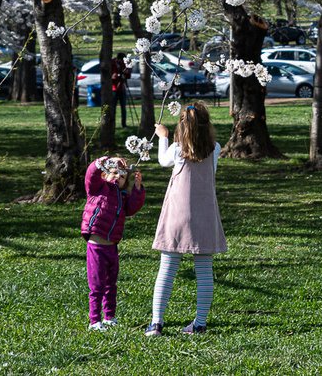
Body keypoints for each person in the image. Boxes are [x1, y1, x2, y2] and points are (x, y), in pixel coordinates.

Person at [148, 103, 226, 336]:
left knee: (167, 269)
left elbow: (163, 160)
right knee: (204, 270)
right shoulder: (216, 148)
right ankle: (199, 324)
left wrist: (163, 136)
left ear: (181, 126)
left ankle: (156, 323)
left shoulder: (177, 149)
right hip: (205, 214)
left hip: (177, 216)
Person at [81, 155, 145, 332]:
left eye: (122, 176)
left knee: (111, 284)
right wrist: (104, 160)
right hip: (96, 246)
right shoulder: (97, 189)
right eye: (114, 173)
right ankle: (94, 320)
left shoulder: (123, 199)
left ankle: (109, 317)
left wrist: (138, 189)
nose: (117, 177)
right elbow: (90, 175)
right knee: (97, 285)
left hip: (112, 247)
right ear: (105, 175)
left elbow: (133, 207)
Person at [109, 55, 131, 128]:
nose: (122, 62)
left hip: (122, 88)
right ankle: (112, 124)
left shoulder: (123, 64)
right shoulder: (112, 63)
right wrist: (114, 76)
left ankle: (124, 124)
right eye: (121, 60)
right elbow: (109, 76)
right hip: (114, 89)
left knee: (123, 108)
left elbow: (128, 75)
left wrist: (126, 73)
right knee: (113, 108)